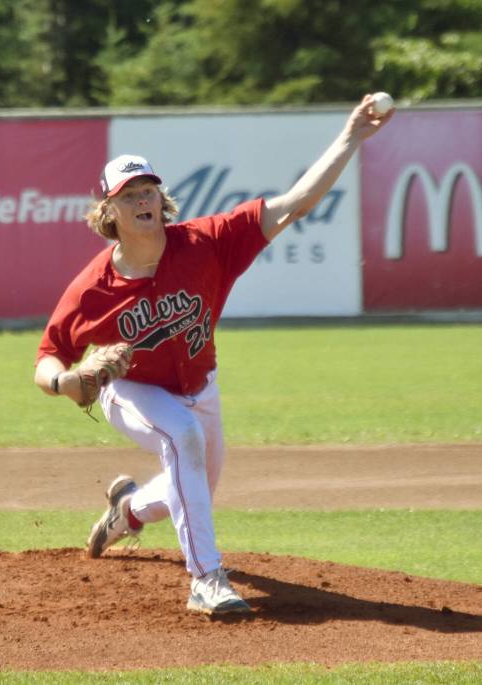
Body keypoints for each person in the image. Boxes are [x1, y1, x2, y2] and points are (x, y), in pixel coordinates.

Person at [34, 94, 393, 615]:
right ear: (108, 211)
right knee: (182, 439)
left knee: (193, 480)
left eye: (149, 189)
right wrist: (64, 382)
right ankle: (205, 579)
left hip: (200, 388)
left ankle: (128, 510)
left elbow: (295, 203)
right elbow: (47, 355)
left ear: (162, 199)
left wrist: (353, 135)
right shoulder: (94, 287)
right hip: (131, 390)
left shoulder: (208, 243)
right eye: (129, 193)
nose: (142, 200)